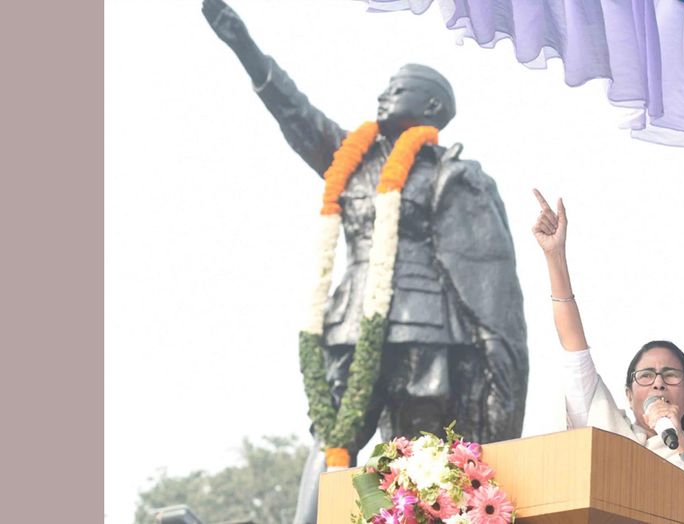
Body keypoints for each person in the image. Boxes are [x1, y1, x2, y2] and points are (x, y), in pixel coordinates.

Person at [202, 2, 529, 522]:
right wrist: (244, 46)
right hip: (351, 323)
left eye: (398, 88)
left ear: (432, 105)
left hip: (425, 328)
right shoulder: (350, 159)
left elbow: (490, 284)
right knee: (333, 436)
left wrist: (497, 372)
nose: (383, 94)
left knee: (417, 447)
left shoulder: (453, 174)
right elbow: (295, 112)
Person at [531, 189, 684, 524]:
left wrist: (681, 443)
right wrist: (554, 257)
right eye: (646, 376)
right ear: (629, 393)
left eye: (671, 375)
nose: (658, 384)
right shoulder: (606, 426)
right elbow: (574, 346)